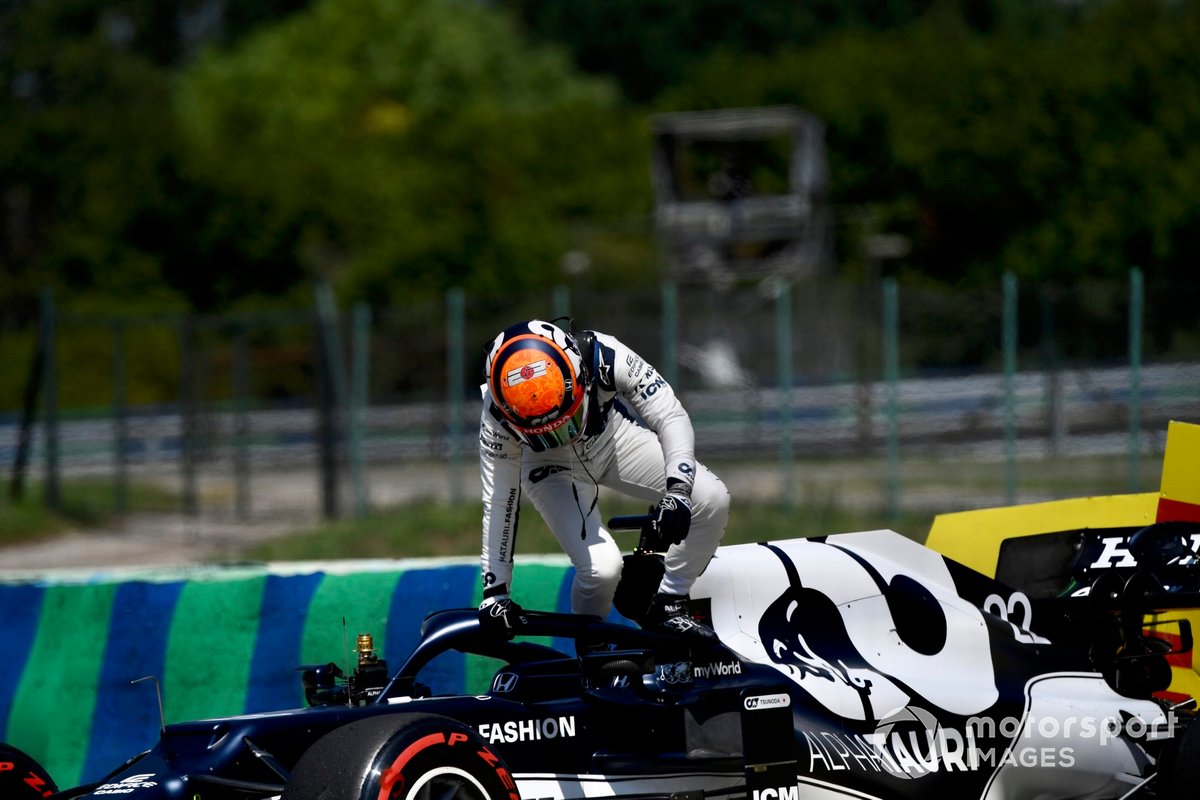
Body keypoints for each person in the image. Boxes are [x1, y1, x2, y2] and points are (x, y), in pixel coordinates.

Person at [476, 318, 730, 641]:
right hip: (549, 467)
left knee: (711, 499)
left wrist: (678, 490)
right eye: (545, 433)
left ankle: (669, 602)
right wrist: (495, 592)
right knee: (602, 570)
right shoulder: (496, 414)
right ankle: (591, 655)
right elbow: (500, 499)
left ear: (579, 376)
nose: (560, 436)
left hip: (611, 439)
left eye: (564, 423)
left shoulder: (604, 355)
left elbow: (670, 414)